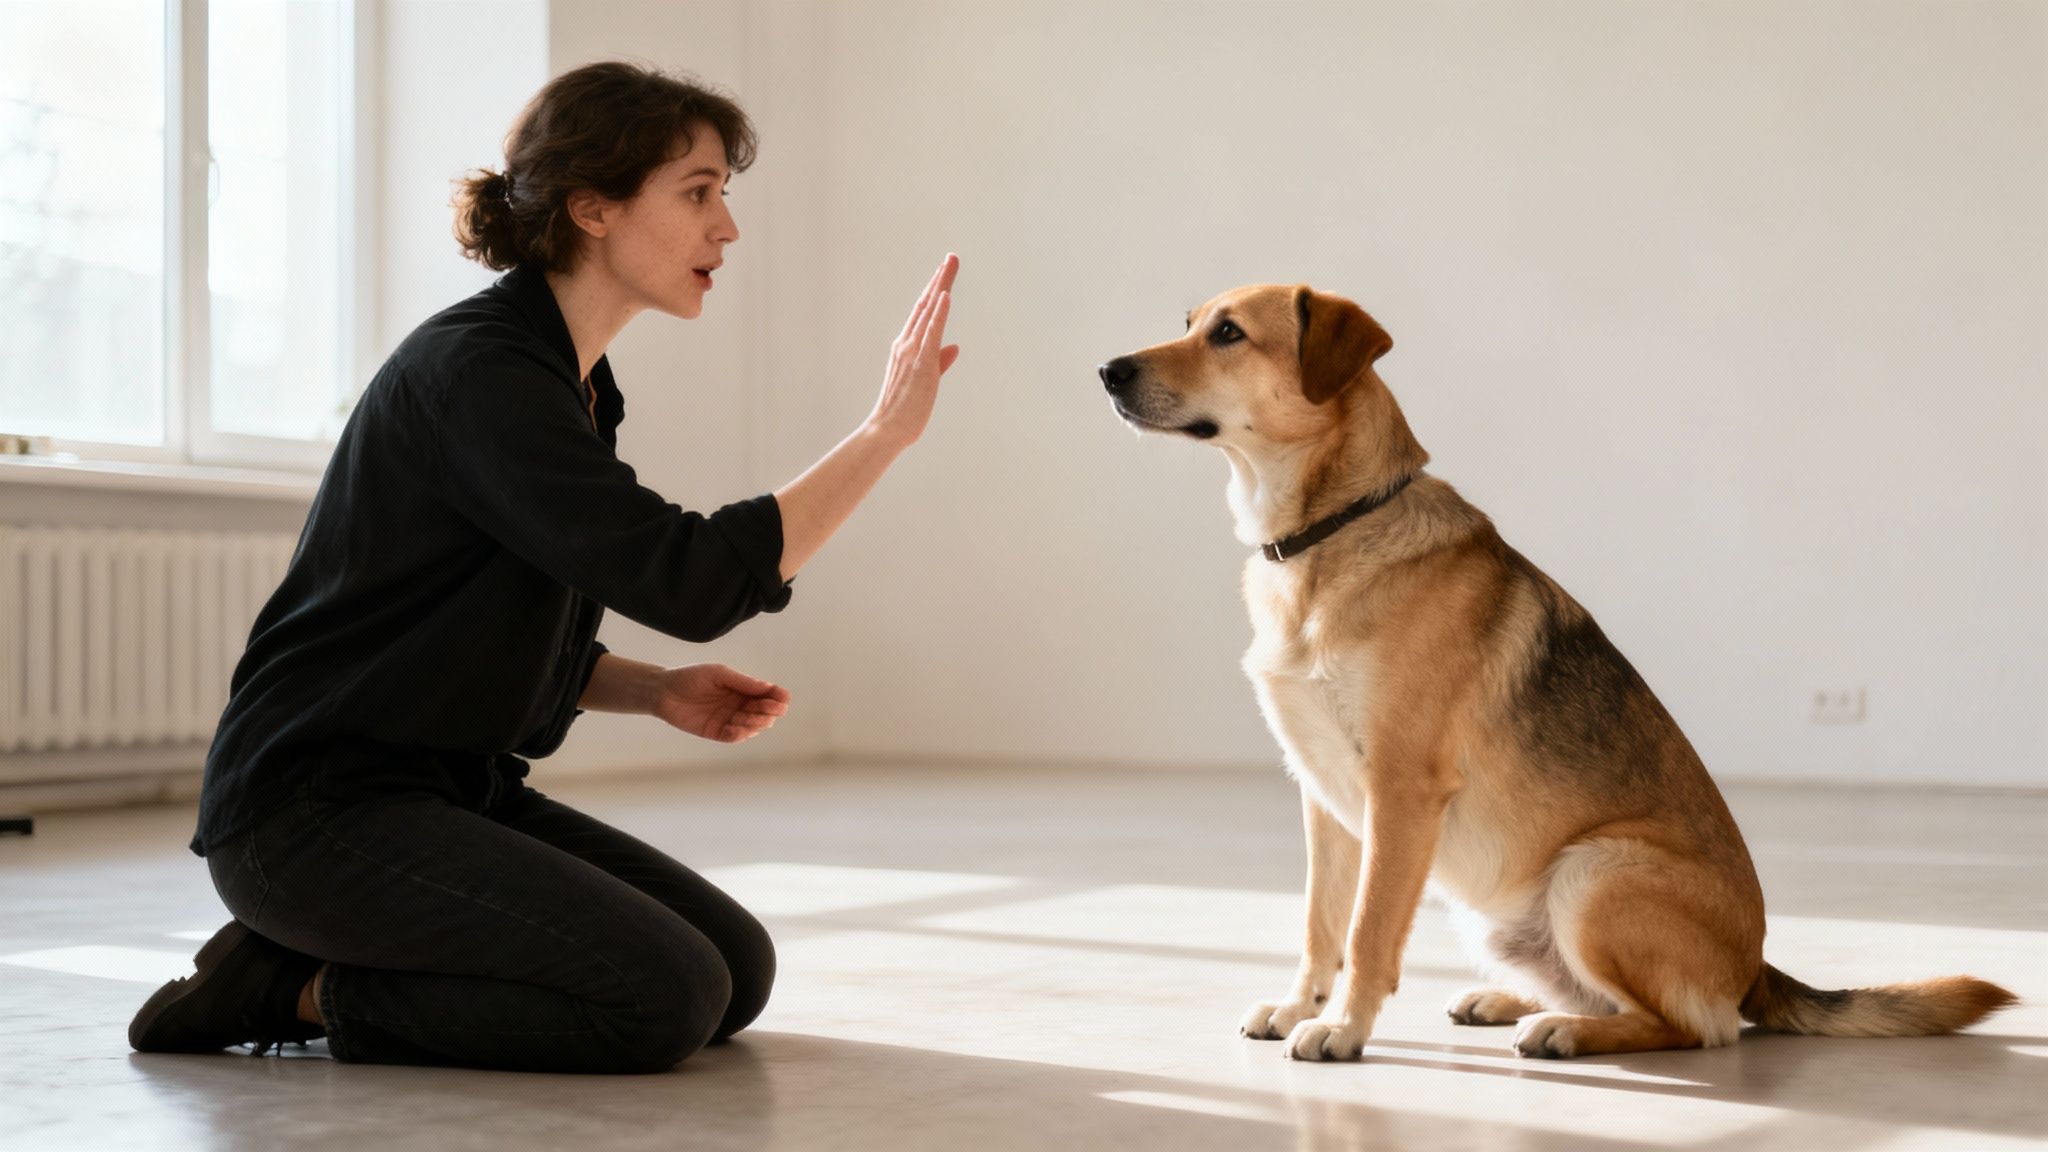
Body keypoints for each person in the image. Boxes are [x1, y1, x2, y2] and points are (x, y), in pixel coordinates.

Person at [127, 61, 960, 1074]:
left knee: (733, 970)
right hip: (312, 818)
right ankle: (283, 986)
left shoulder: (572, 383)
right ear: (593, 207)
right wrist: (882, 433)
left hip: (442, 792)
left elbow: (472, 618)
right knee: (663, 998)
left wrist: (652, 691)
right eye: (697, 193)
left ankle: (319, 960)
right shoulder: (482, 375)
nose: (725, 229)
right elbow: (688, 579)